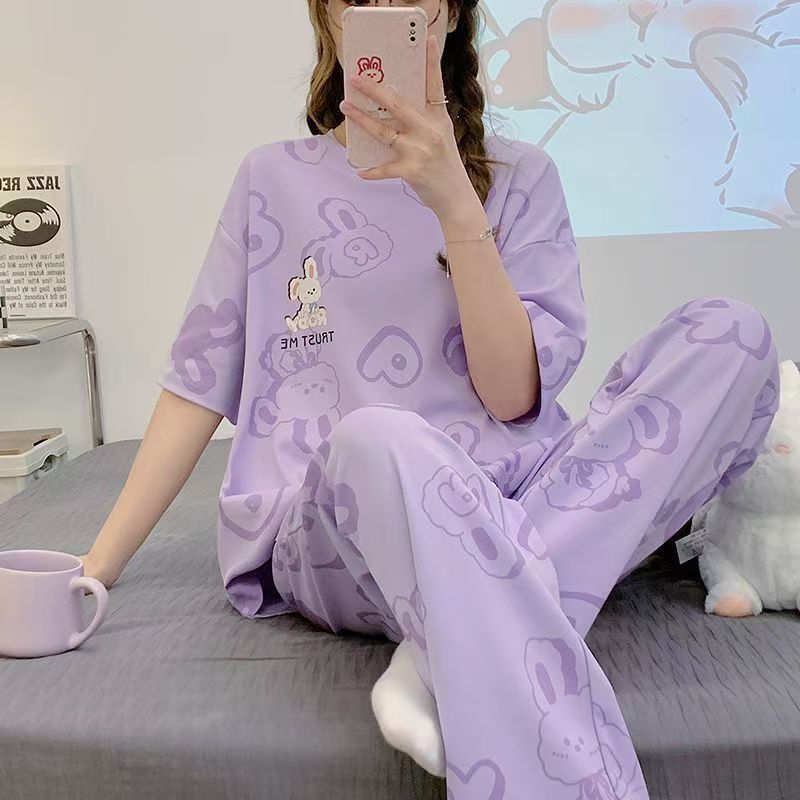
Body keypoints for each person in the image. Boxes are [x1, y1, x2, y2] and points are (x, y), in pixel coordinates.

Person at [80, 0, 780, 796]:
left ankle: (434, 654)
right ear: (328, 19)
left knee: (733, 335)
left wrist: (455, 206)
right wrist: (98, 566)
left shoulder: (521, 177)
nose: (381, 9)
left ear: (446, 16)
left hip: (513, 496)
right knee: (380, 436)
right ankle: (488, 619)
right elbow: (196, 381)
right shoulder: (271, 179)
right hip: (346, 527)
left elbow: (512, 398)